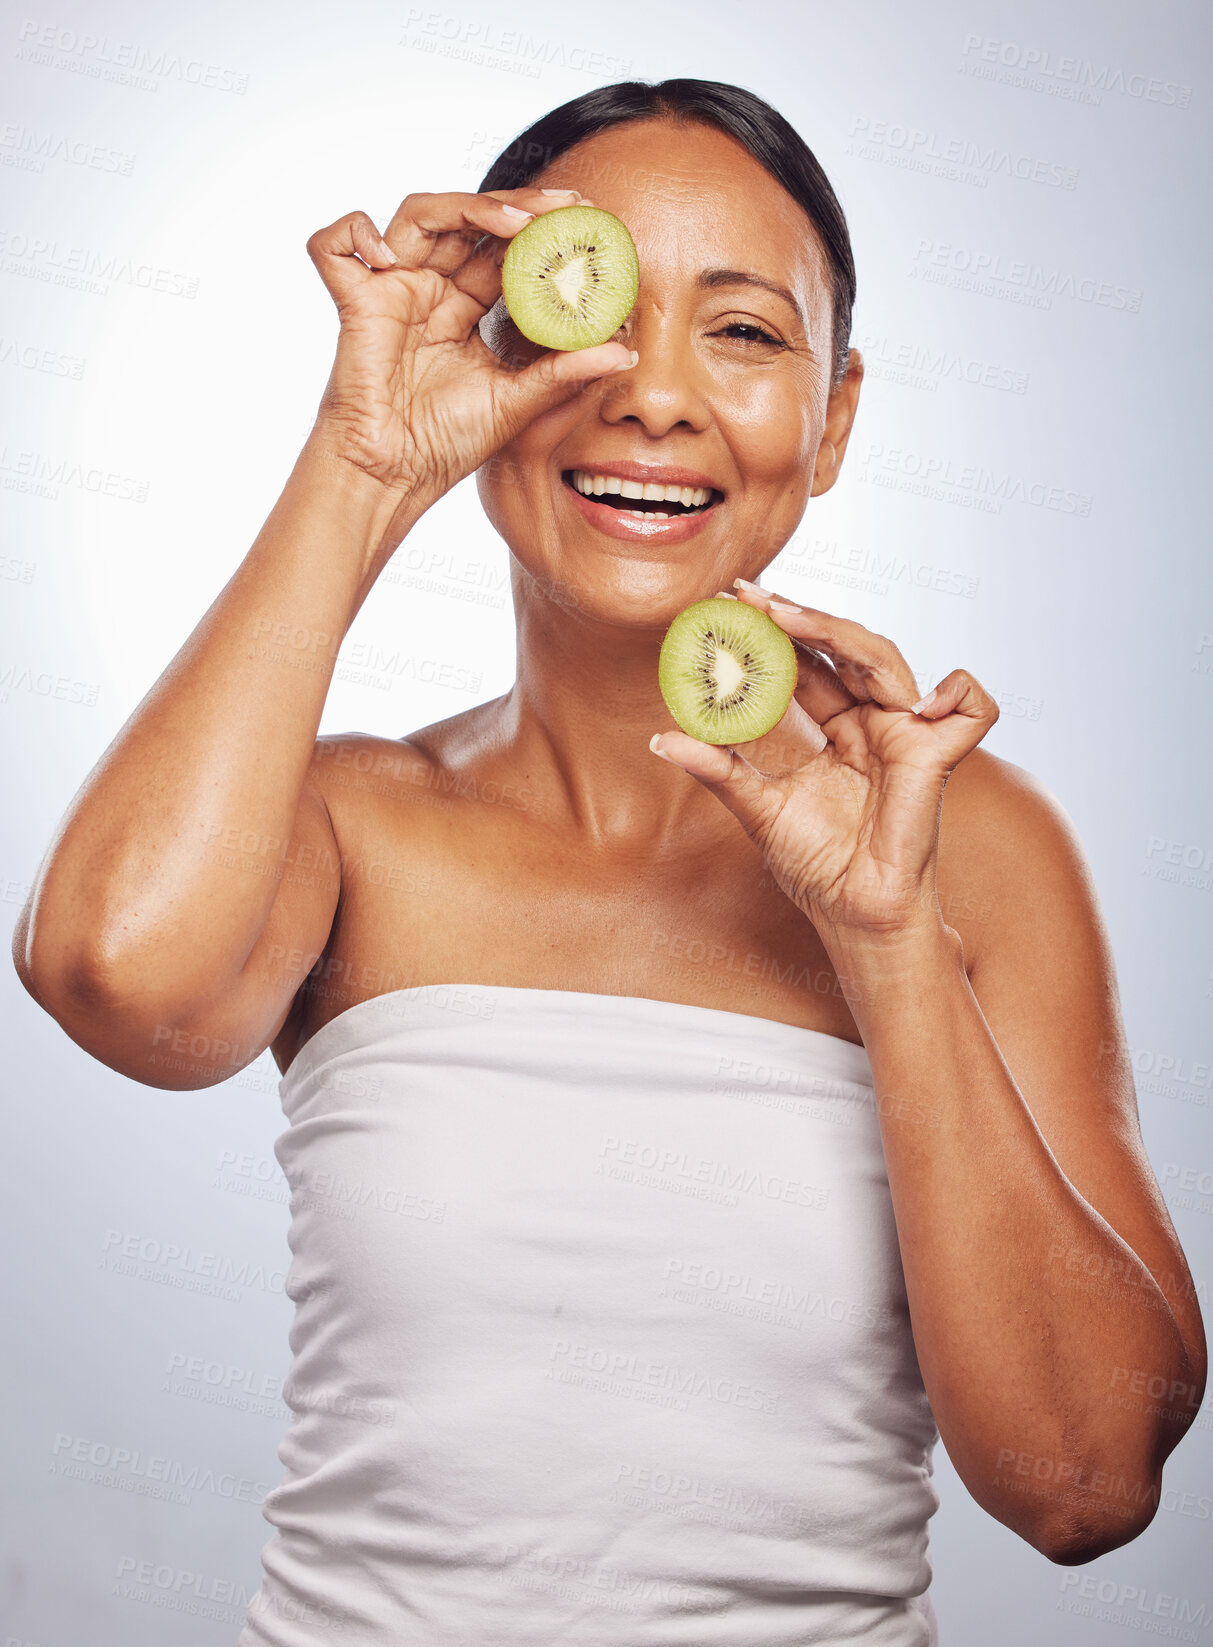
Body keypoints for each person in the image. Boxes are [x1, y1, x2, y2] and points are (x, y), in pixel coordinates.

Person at [12, 77, 1206, 1647]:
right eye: (590, 312)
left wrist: (886, 935)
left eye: (743, 332)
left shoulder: (963, 847)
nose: (654, 395)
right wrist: (366, 460)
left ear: (832, 419)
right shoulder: (350, 823)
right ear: (490, 351)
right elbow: (111, 974)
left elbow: (1082, 1478)